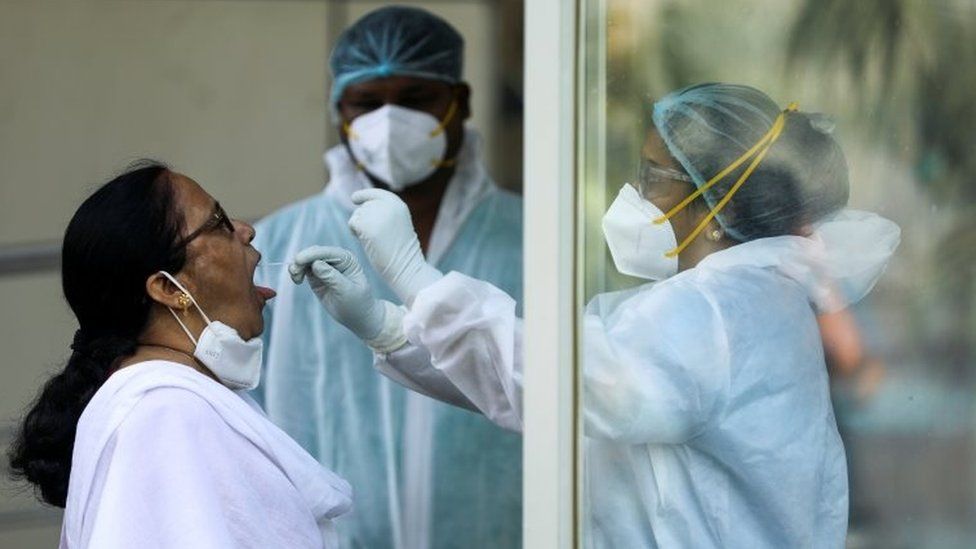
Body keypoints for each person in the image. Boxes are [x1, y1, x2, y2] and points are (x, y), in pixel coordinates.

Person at [291, 83, 901, 547]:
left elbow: (564, 389)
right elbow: (545, 386)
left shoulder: (719, 314)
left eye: (653, 175)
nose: (636, 193)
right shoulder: (737, 301)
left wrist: (416, 280)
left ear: (715, 203)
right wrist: (390, 328)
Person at [251, 6, 522, 548]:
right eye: (368, 103)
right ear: (339, 111)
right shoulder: (277, 244)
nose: (391, 121)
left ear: (460, 102)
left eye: (416, 99)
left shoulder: (535, 237)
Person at [8, 162, 351, 548]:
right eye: (219, 223)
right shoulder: (164, 412)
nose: (246, 230)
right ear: (168, 289)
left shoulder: (177, 400)